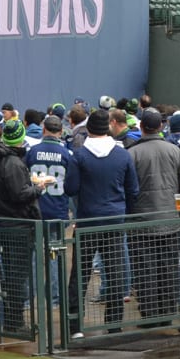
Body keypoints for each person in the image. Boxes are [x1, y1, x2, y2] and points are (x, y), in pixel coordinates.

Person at [66, 108, 138, 334]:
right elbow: (133, 189)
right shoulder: (122, 154)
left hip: (87, 220)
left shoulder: (79, 155)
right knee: (116, 274)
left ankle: (74, 325)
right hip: (114, 220)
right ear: (108, 127)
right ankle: (114, 324)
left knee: (80, 274)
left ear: (88, 129)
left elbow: (70, 188)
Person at [0, 119, 53, 334]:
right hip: (18, 224)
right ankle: (15, 322)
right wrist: (39, 188)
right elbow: (19, 195)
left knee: (10, 274)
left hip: (3, 220)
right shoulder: (12, 162)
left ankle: (8, 318)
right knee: (17, 275)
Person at [128, 108, 180, 321]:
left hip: (141, 222)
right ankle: (167, 312)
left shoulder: (132, 153)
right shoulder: (175, 151)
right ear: (162, 126)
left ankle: (149, 315)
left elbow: (128, 189)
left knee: (145, 270)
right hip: (170, 220)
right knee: (169, 268)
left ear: (141, 127)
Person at [26, 113, 73, 303]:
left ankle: (30, 298)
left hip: (36, 208)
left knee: (34, 254)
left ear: (44, 129)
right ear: (61, 132)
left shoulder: (32, 151)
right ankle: (54, 297)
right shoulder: (67, 154)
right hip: (57, 210)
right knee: (54, 254)